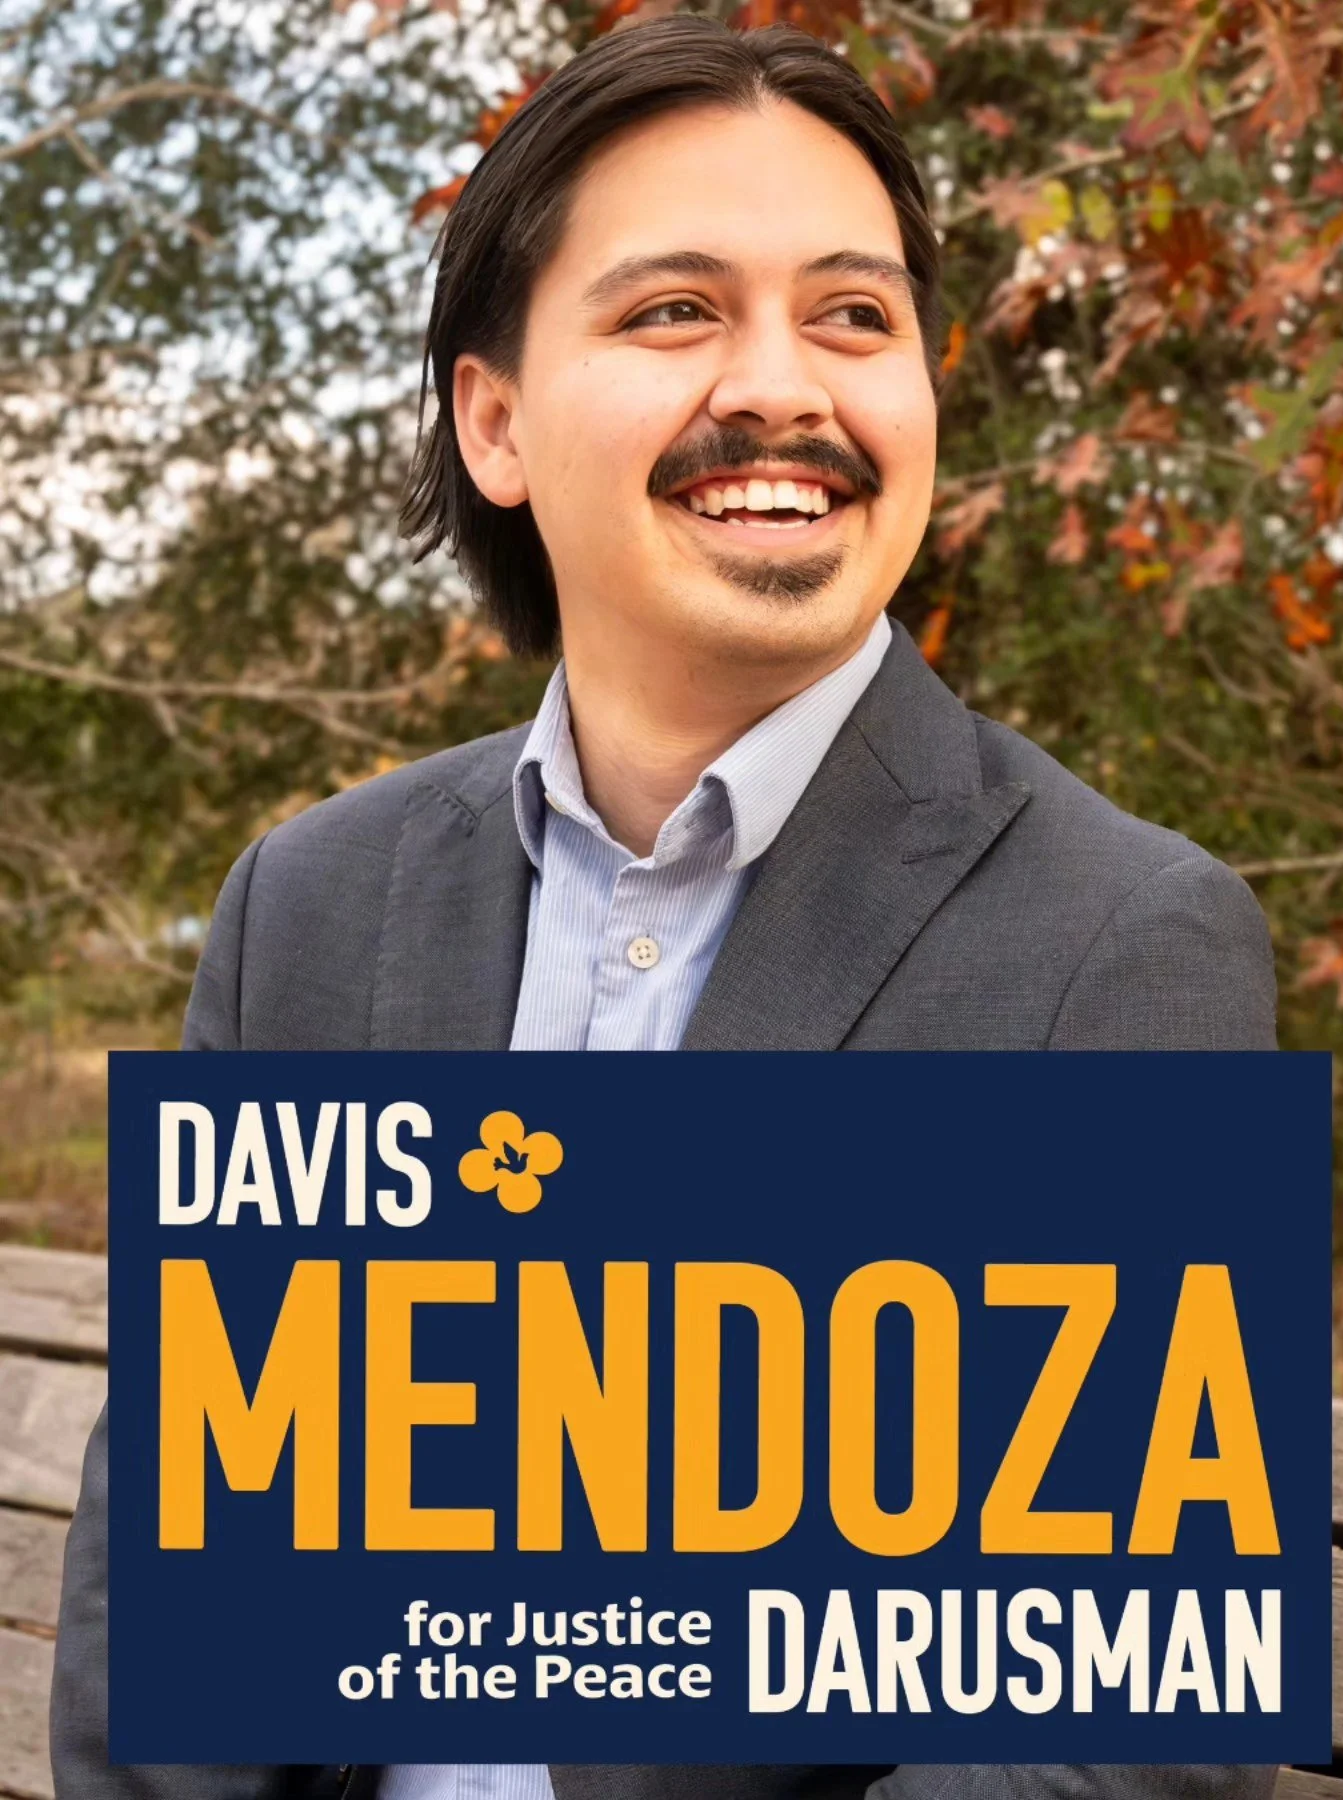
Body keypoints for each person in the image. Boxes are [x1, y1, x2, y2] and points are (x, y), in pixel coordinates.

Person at [51, 16, 1279, 1800]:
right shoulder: (307, 907)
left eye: (854, 317)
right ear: (495, 422)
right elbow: (170, 1635)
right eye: (675, 311)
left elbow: (1109, 1742)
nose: (785, 386)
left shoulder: (1119, 947)